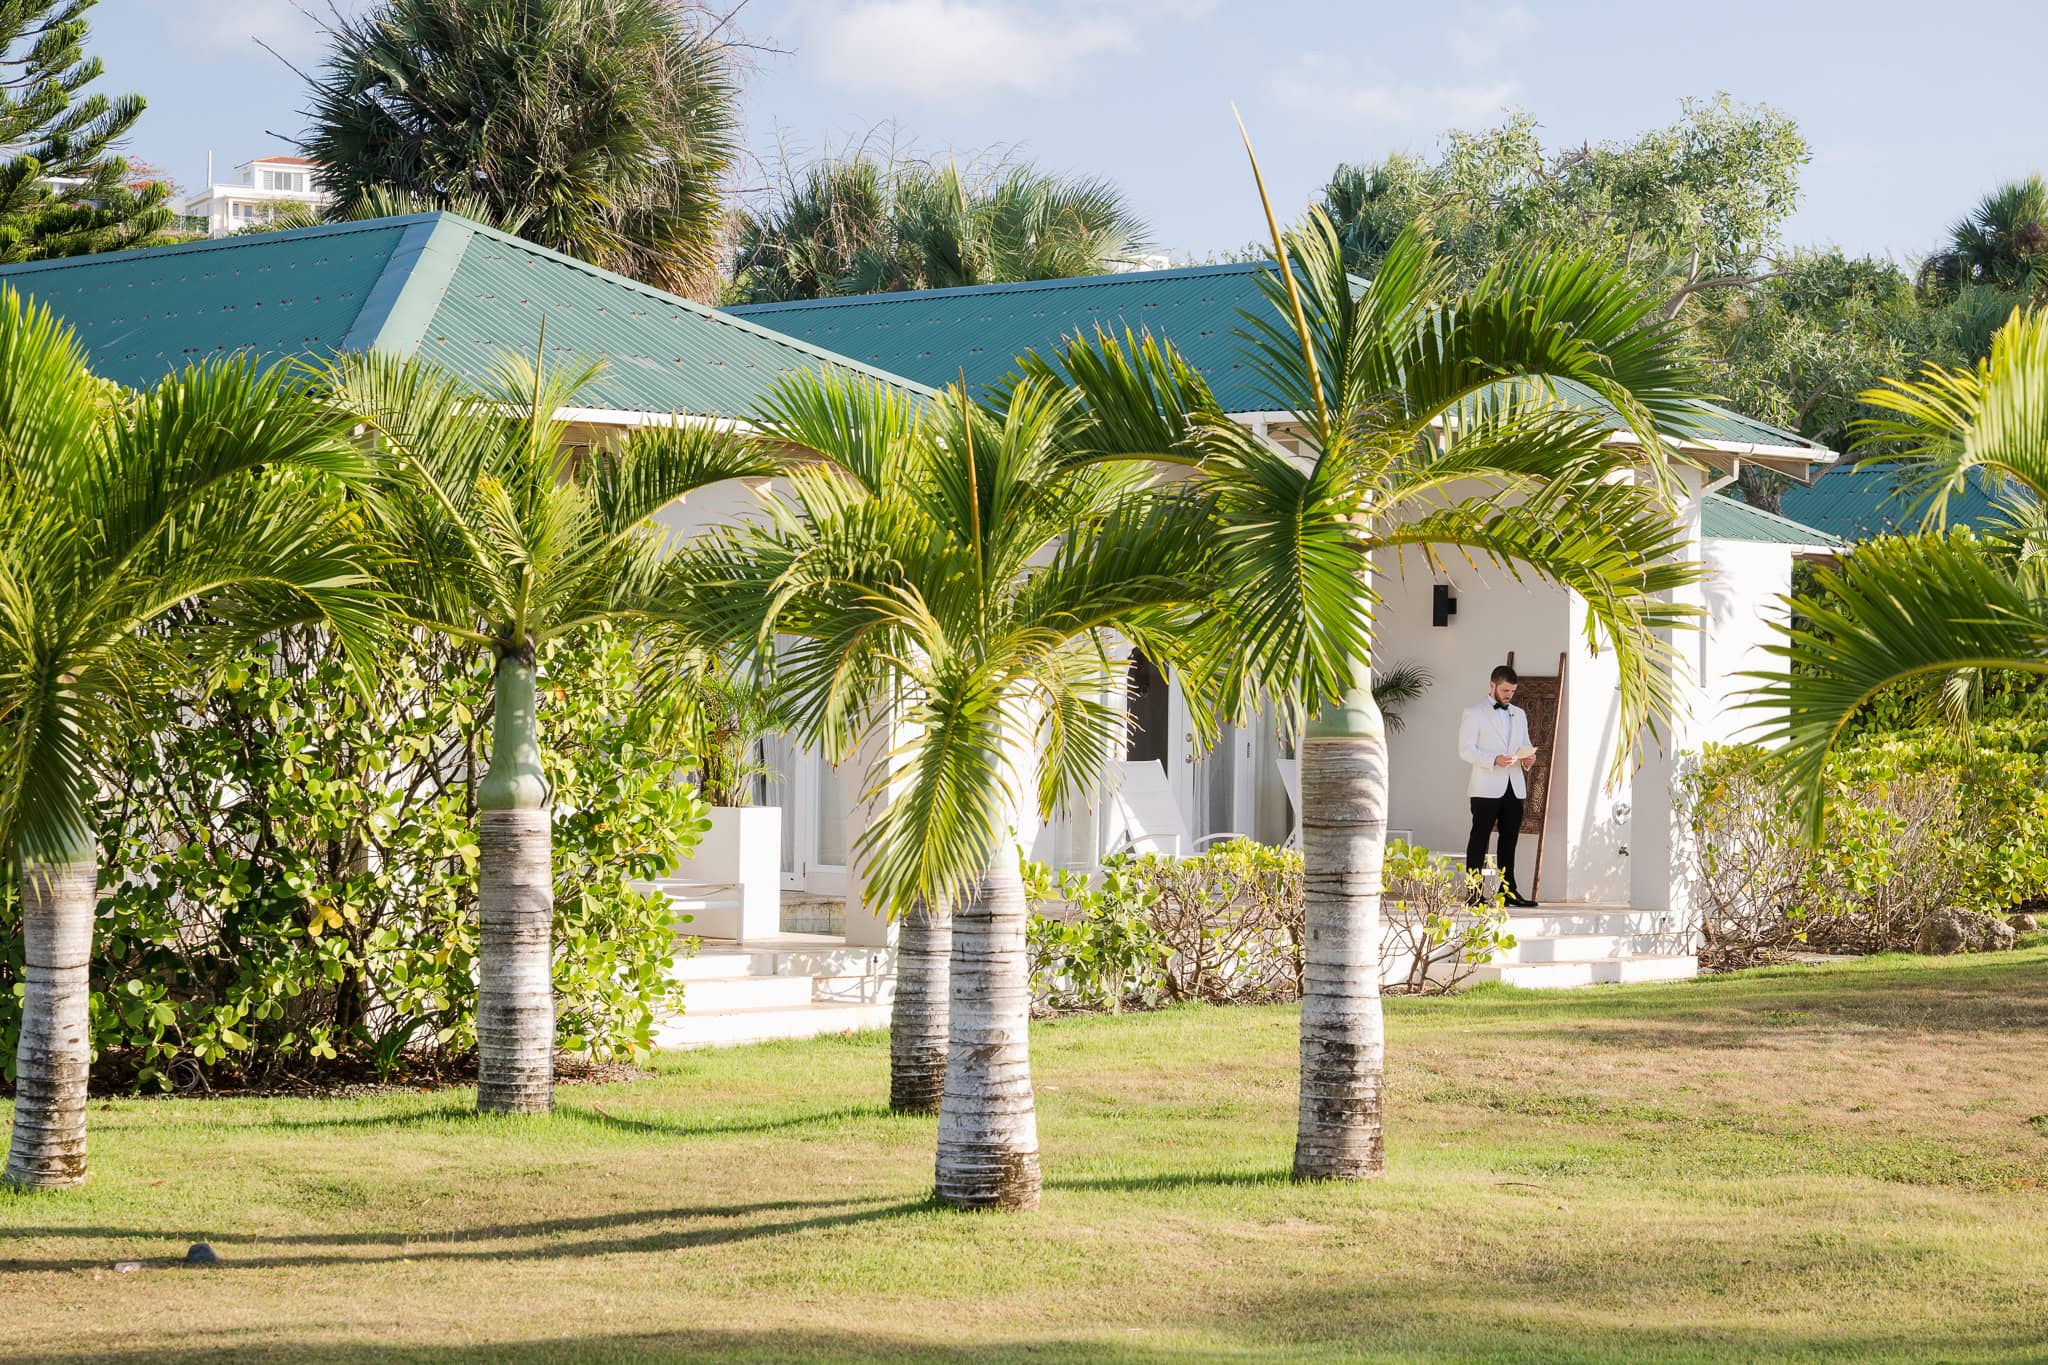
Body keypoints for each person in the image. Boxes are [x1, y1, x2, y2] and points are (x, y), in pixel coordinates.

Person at [1456, 664, 1538, 907]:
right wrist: (1493, 759)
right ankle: (1474, 894)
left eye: (1512, 691)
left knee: (1509, 840)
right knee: (1480, 839)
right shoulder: (1474, 713)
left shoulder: (1519, 714)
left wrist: (1528, 758)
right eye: (1505, 690)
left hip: (1514, 786)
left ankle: (1508, 893)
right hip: (1486, 787)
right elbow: (1466, 750)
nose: (1509, 695)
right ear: (1492, 685)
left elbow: (1525, 743)